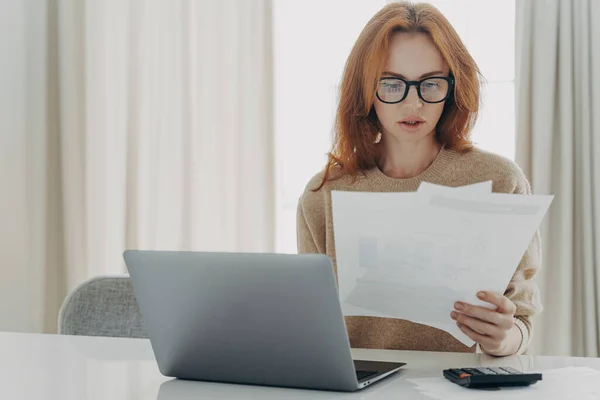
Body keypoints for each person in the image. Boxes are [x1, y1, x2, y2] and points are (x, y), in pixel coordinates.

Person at [296, 1, 542, 356]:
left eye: (430, 84)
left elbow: (521, 319)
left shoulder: (499, 181)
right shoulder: (322, 196)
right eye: (392, 84)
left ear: (453, 87)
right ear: (365, 91)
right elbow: (311, 327)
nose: (414, 104)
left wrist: (505, 338)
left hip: (459, 387)